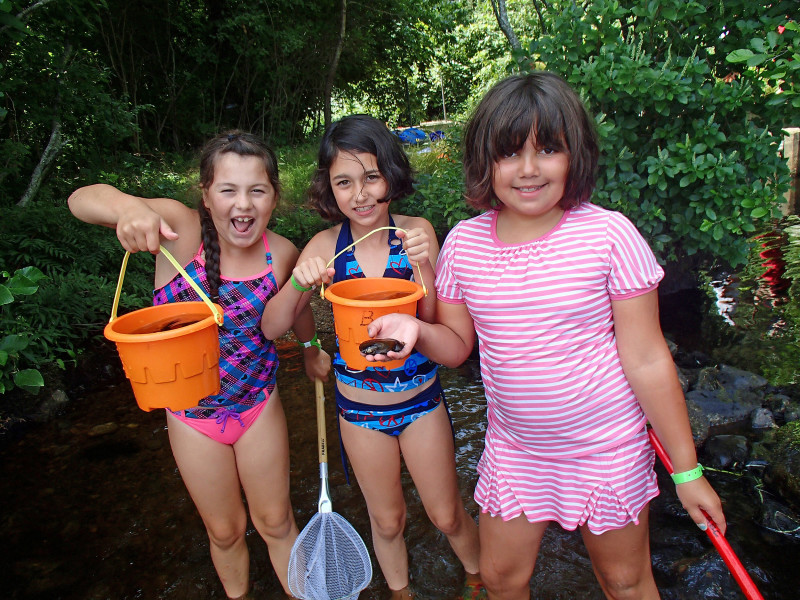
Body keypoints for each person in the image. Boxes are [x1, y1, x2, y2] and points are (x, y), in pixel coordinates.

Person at [361, 72, 728, 600]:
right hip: (517, 451)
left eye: (548, 149)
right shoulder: (464, 245)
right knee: (503, 578)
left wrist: (688, 471)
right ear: (485, 162)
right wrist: (416, 328)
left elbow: (647, 359)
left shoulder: (608, 235)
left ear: (574, 154)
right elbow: (459, 347)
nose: (528, 170)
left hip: (608, 450)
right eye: (510, 153)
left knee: (624, 582)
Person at [68, 131, 331, 600]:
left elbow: (297, 306)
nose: (242, 204)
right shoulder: (179, 230)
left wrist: (311, 348)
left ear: (274, 196)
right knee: (226, 531)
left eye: (257, 190)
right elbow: (82, 199)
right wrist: (128, 210)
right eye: (228, 190)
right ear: (206, 195)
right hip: (191, 419)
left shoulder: (283, 251)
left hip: (257, 406)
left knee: (276, 521)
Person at [260, 114, 484, 600]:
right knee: (386, 521)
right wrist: (301, 282)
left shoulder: (416, 231)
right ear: (329, 189)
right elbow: (272, 327)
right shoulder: (324, 247)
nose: (359, 194)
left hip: (421, 402)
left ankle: (478, 580)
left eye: (371, 177)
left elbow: (435, 322)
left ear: (391, 176)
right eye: (344, 182)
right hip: (358, 412)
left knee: (445, 513)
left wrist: (425, 260)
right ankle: (400, 594)